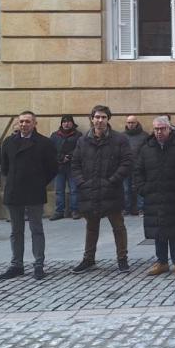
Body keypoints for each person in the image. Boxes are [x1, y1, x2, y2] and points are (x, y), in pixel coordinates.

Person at [70, 105, 134, 274]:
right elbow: (75, 164)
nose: (100, 120)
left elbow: (127, 162)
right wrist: (82, 182)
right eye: (97, 117)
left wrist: (112, 181)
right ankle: (88, 259)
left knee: (118, 227)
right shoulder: (82, 141)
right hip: (90, 191)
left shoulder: (119, 139)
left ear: (108, 119)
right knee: (91, 228)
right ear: (92, 119)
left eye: (103, 117)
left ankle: (122, 259)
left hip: (111, 191)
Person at [0, 111, 58, 281]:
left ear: (35, 124)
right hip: (14, 191)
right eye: (21, 121)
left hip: (34, 191)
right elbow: (5, 167)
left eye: (28, 122)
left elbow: (53, 168)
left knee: (36, 229)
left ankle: (38, 264)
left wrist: (38, 181)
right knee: (16, 230)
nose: (24, 124)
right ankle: (16, 265)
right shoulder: (9, 142)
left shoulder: (44, 143)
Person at [137, 116, 175, 276]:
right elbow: (138, 171)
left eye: (162, 128)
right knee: (158, 230)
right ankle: (161, 261)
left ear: (169, 129)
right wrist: (143, 189)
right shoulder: (146, 148)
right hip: (153, 196)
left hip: (173, 196)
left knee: (174, 230)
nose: (159, 132)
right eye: (156, 128)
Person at [49, 115, 80, 221]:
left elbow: (80, 149)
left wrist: (69, 156)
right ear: (61, 123)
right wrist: (61, 158)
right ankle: (59, 211)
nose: (66, 124)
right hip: (59, 167)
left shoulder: (78, 135)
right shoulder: (55, 135)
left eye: (68, 122)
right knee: (59, 190)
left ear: (72, 123)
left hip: (73, 166)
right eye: (64, 122)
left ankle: (75, 210)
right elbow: (50, 150)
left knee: (74, 190)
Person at [122, 115, 149, 216]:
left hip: (139, 166)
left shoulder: (144, 136)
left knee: (140, 188)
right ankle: (126, 208)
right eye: (129, 123)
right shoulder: (122, 136)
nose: (130, 125)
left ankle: (141, 209)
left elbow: (147, 151)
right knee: (126, 189)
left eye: (132, 122)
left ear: (137, 123)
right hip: (126, 166)